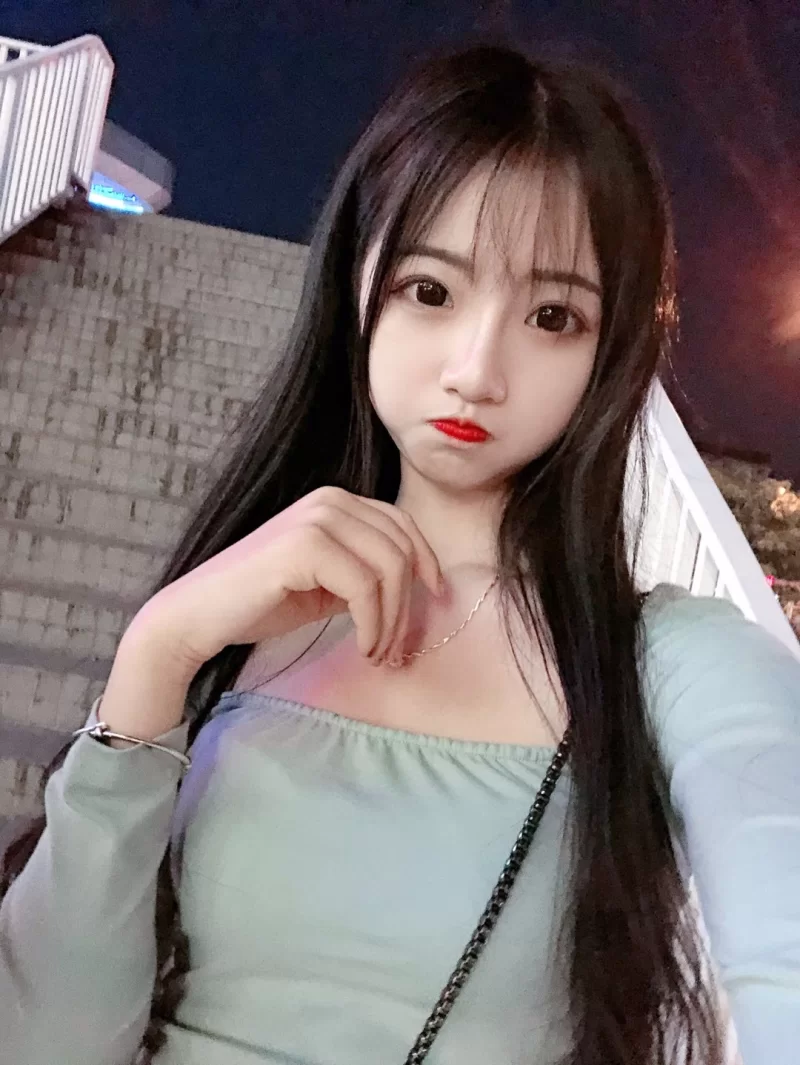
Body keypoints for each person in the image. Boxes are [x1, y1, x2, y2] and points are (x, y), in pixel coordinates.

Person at [1, 40, 798, 1065]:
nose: (476, 369)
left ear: (609, 355)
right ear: (359, 282)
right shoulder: (236, 618)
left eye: (552, 316)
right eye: (431, 291)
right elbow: (49, 1040)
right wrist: (158, 653)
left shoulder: (671, 662)